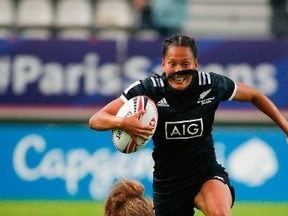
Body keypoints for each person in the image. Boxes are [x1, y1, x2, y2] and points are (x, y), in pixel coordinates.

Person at [89, 35, 288, 215]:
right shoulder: (149, 89)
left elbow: (254, 95)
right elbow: (96, 119)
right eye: (172, 64)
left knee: (220, 213)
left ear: (195, 63)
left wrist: (286, 127)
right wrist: (123, 122)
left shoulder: (210, 85)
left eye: (185, 63)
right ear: (163, 65)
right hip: (169, 184)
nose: (178, 70)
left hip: (205, 173)